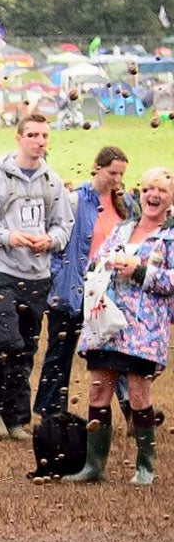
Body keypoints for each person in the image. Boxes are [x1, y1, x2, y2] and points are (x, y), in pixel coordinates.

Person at [0, 115, 72, 441]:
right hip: (1, 268)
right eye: (33, 134)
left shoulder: (52, 182)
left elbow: (63, 225)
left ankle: (17, 418)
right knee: (5, 339)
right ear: (18, 138)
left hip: (37, 273)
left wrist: (50, 240)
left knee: (25, 346)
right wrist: (5, 237)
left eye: (44, 135)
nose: (39, 141)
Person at [67, 164, 172, 486]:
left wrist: (139, 271)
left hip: (143, 328)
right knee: (98, 390)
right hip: (106, 322)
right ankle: (93, 465)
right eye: (148, 189)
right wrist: (106, 263)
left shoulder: (169, 237)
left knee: (138, 394)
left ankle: (144, 467)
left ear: (170, 200)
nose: (154, 195)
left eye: (162, 190)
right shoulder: (122, 230)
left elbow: (171, 280)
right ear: (140, 193)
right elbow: (96, 259)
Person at [39, 145, 130, 419]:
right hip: (74, 285)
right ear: (97, 168)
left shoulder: (124, 204)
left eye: (121, 174)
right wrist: (58, 278)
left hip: (109, 289)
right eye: (112, 172)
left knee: (116, 350)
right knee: (60, 350)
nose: (116, 179)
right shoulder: (76, 200)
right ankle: (51, 412)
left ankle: (131, 409)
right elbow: (57, 240)